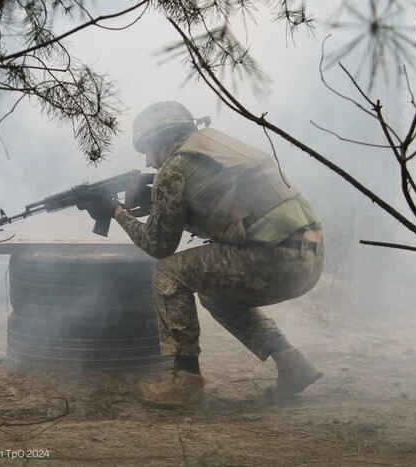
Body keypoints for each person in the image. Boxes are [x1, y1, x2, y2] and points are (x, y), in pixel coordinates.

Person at [86, 101, 325, 409]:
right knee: (214, 293)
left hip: (276, 258)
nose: (147, 161)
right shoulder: (219, 149)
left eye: (147, 149)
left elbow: (159, 247)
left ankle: (186, 383)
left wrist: (116, 211)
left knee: (168, 272)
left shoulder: (174, 168)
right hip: (308, 259)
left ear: (163, 141)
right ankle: (292, 364)